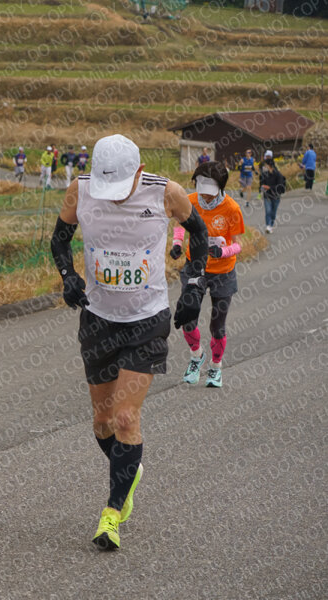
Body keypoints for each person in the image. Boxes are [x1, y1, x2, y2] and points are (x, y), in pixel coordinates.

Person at [50, 134, 209, 551]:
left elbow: (199, 233)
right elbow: (59, 239)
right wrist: (68, 277)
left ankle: (112, 513)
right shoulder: (81, 189)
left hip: (147, 320)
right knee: (102, 422)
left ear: (139, 171)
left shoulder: (166, 192)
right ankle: (129, 468)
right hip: (98, 320)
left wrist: (193, 287)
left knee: (124, 418)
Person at [169, 161, 244, 388]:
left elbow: (238, 245)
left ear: (221, 187)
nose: (206, 197)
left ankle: (215, 367)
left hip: (223, 272)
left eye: (211, 193)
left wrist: (223, 251)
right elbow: (180, 226)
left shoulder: (231, 209)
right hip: (195, 267)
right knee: (187, 317)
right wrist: (177, 243)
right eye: (202, 191)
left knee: (217, 326)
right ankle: (196, 356)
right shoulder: (190, 201)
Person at [260, 156, 286, 234]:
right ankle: (268, 226)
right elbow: (262, 184)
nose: (264, 167)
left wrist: (269, 187)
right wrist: (262, 188)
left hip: (276, 196)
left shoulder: (278, 174)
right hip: (267, 195)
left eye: (266, 165)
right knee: (268, 211)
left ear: (269, 165)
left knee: (273, 213)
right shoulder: (264, 174)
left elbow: (280, 186)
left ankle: (271, 225)